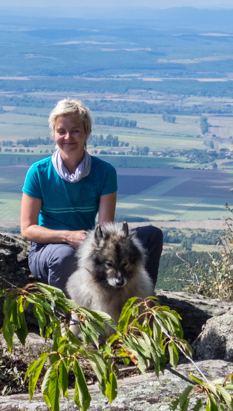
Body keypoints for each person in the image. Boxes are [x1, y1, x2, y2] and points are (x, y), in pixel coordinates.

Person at [20, 98, 163, 291]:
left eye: (75, 131)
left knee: (152, 236)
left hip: (89, 243)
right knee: (65, 256)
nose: (68, 137)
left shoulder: (104, 172)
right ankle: (66, 318)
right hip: (48, 248)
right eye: (61, 131)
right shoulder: (38, 172)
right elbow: (28, 230)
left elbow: (105, 227)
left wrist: (92, 245)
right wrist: (67, 236)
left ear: (87, 133)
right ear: (54, 133)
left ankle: (141, 304)